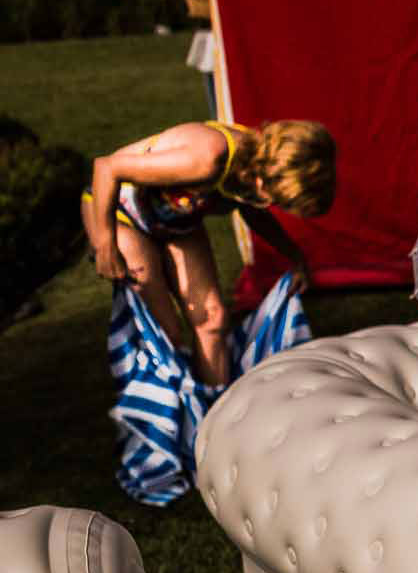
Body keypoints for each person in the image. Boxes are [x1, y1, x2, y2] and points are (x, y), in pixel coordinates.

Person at [83, 118, 334, 386]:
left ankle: (214, 412)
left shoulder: (257, 164)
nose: (270, 204)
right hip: (120, 213)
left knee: (213, 319)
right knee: (165, 331)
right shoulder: (208, 157)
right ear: (264, 180)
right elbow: (107, 168)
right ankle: (174, 417)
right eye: (276, 199)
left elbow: (252, 211)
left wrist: (294, 256)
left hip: (176, 221)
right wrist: (105, 244)